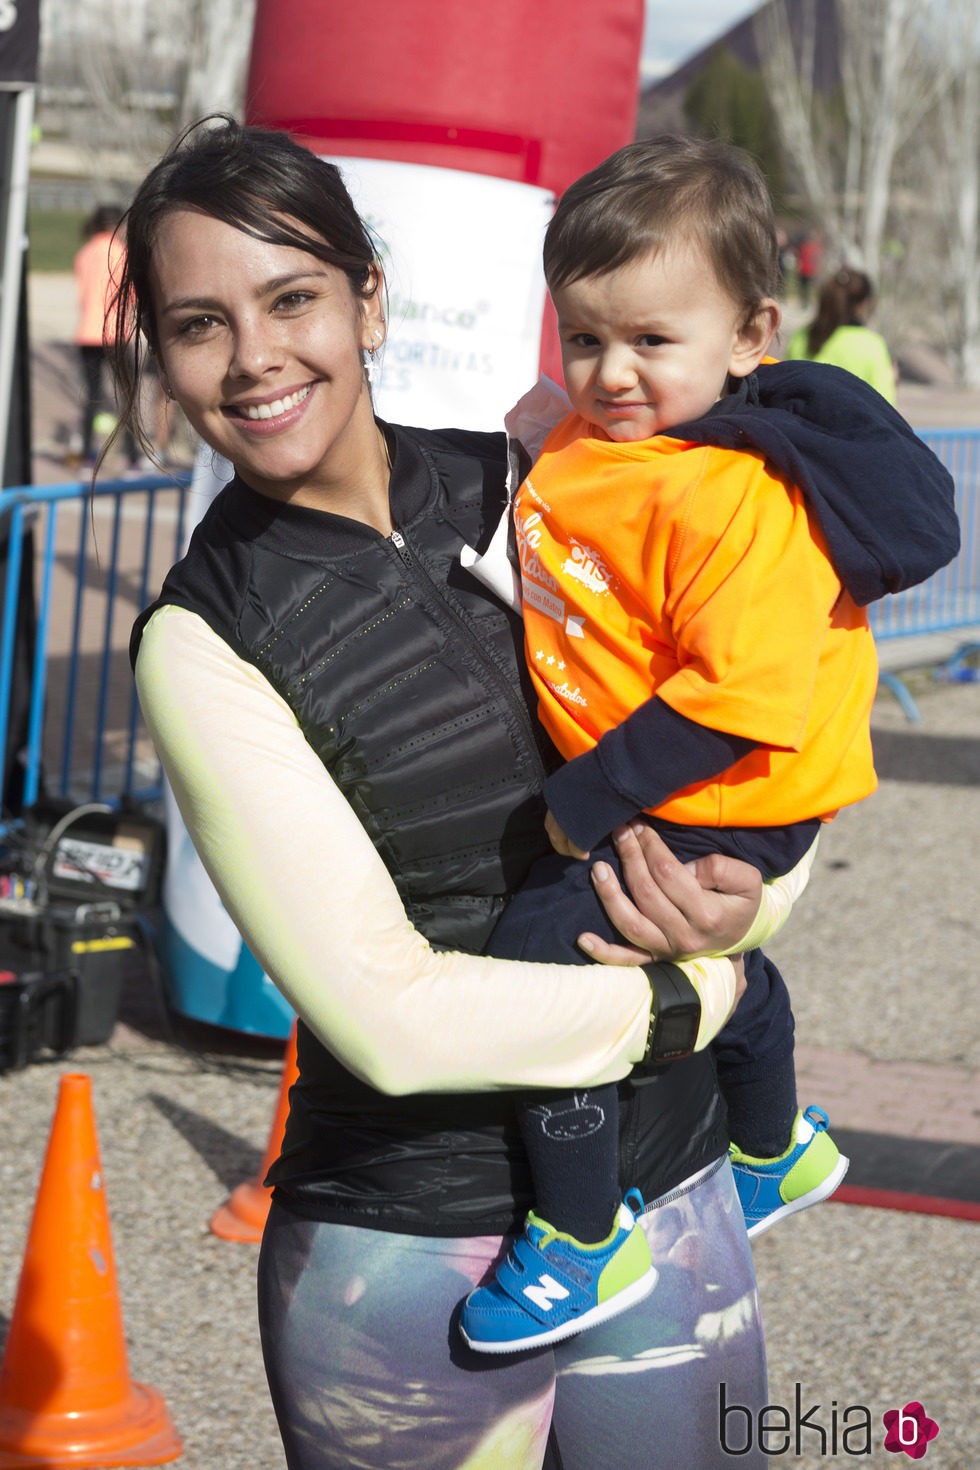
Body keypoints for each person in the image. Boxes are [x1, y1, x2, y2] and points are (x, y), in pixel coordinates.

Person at [114, 116, 817, 1470]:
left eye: (294, 297)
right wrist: (705, 996)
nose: (256, 355)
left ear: (369, 297)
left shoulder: (541, 475)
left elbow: (763, 720)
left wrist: (754, 899)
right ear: (162, 358)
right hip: (410, 1255)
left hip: (674, 1196)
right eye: (200, 323)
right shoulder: (203, 638)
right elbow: (392, 1020)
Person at [458, 137, 959, 1354]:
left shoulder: (733, 500)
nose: (610, 373)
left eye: (648, 342)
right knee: (690, 959)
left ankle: (581, 1237)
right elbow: (579, 498)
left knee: (547, 951)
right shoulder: (608, 440)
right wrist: (538, 438)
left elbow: (740, 698)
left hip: (724, 781)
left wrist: (585, 802)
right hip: (680, 771)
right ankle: (773, 1145)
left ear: (749, 337)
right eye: (583, 340)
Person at [73, 204, 147, 471]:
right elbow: (133, 296)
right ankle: (133, 457)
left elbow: (84, 294)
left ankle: (85, 457)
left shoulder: (84, 253)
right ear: (118, 225)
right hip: (114, 334)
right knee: (127, 398)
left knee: (92, 396)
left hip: (86, 332)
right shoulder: (121, 253)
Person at [785, 266, 897, 404]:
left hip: (800, 424)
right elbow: (886, 406)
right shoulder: (872, 345)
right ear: (863, 304)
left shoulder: (801, 337)